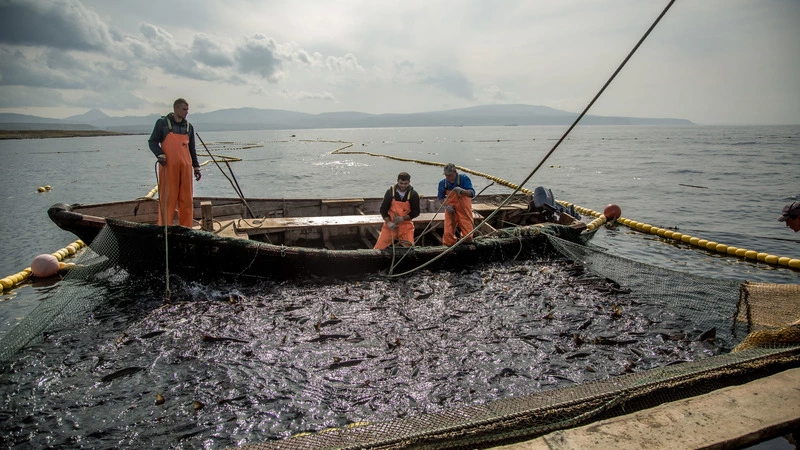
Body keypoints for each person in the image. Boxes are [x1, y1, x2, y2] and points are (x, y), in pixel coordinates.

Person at [148, 98, 202, 227]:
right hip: (169, 168)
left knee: (186, 200)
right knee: (168, 199)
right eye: (184, 109)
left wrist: (196, 167)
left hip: (186, 168)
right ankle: (165, 229)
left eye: (187, 110)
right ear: (176, 108)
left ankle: (186, 228)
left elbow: (192, 149)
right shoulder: (162, 123)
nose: (186, 112)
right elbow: (152, 142)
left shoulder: (189, 127)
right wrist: (159, 154)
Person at [374, 172, 421, 249]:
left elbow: (416, 212)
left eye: (405, 184)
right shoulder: (390, 192)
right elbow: (383, 210)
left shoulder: (413, 194)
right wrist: (389, 223)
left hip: (405, 225)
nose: (403, 186)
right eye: (401, 183)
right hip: (391, 224)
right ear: (397, 181)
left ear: (409, 182)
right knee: (379, 247)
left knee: (409, 249)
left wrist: (402, 218)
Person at [437, 163, 476, 246]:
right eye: (446, 176)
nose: (448, 178)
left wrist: (462, 191)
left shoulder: (464, 179)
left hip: (464, 209)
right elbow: (440, 198)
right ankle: (449, 246)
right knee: (448, 232)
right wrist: (446, 206)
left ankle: (467, 245)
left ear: (455, 172)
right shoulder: (442, 183)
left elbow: (472, 193)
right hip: (451, 209)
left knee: (467, 231)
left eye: (450, 175)